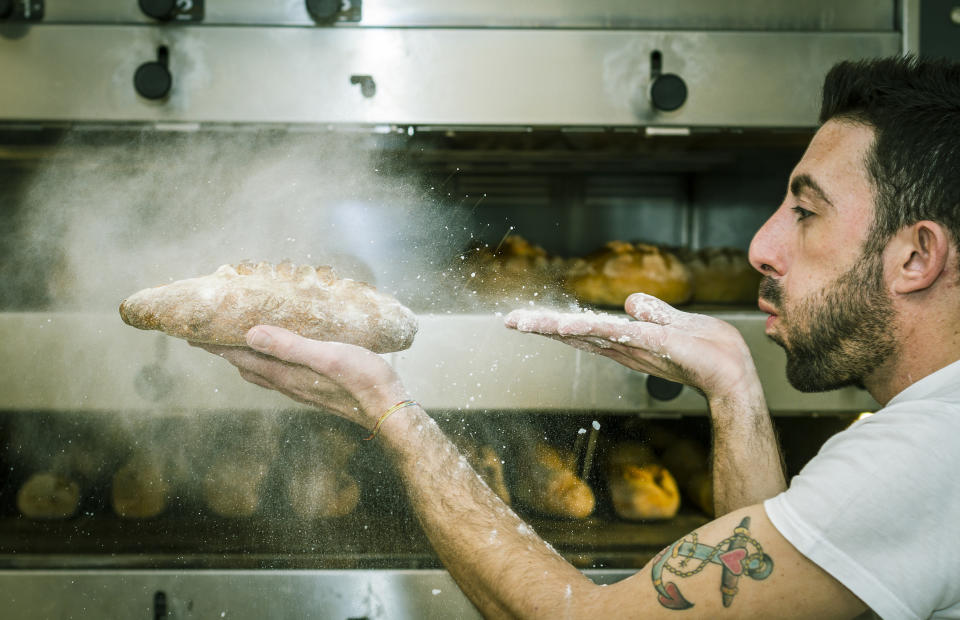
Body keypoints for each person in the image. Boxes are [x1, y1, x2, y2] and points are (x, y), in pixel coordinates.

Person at [198, 56, 960, 618]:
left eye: (805, 211)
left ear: (916, 256)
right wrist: (734, 387)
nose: (762, 246)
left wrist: (391, 413)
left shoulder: (923, 458)